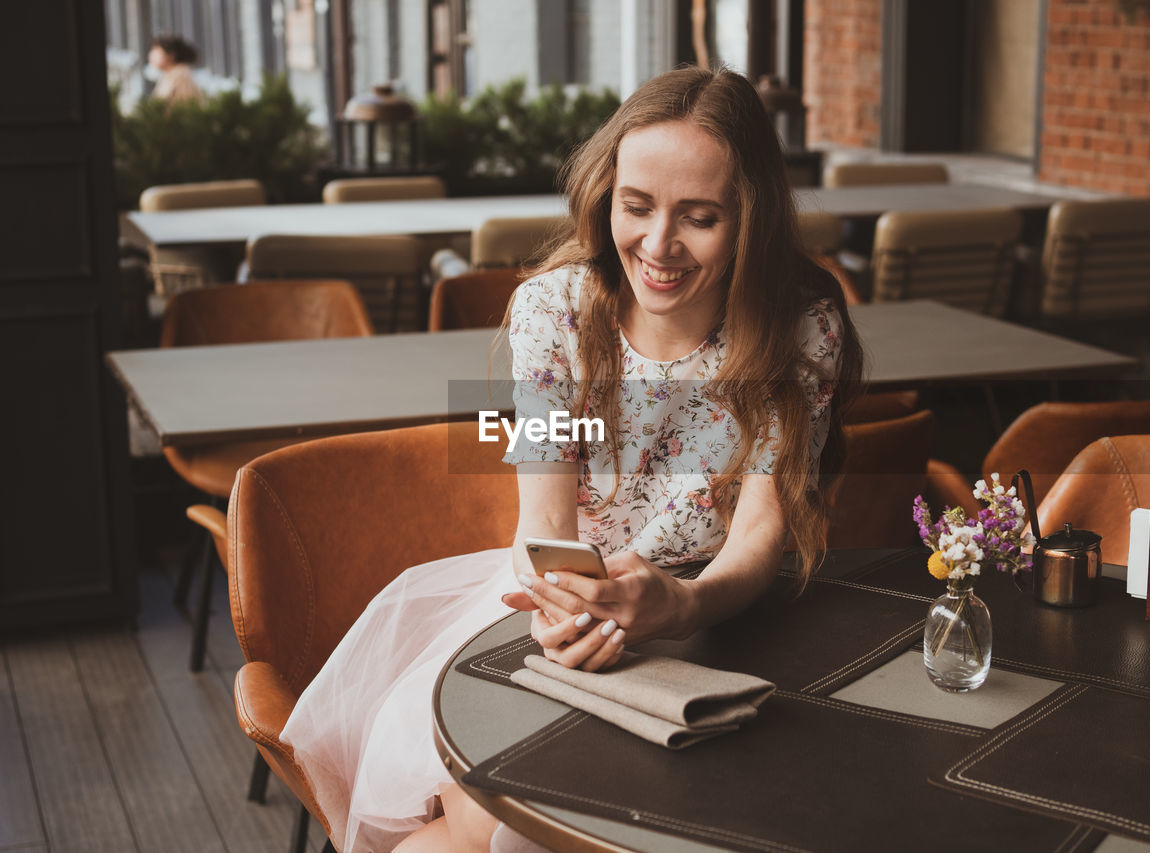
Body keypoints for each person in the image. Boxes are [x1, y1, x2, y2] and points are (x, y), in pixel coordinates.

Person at [279, 65, 863, 853]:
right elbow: (543, 522)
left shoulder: (802, 330)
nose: (658, 245)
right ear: (605, 196)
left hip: (722, 624)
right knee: (491, 829)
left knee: (502, 838)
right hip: (558, 607)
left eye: (700, 216)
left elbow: (761, 534)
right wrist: (574, 612)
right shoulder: (554, 311)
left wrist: (681, 606)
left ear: (750, 220)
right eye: (637, 206)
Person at [147, 34, 203, 105]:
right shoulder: (172, 74)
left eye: (156, 50)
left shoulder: (180, 75)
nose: (151, 54)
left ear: (171, 55)